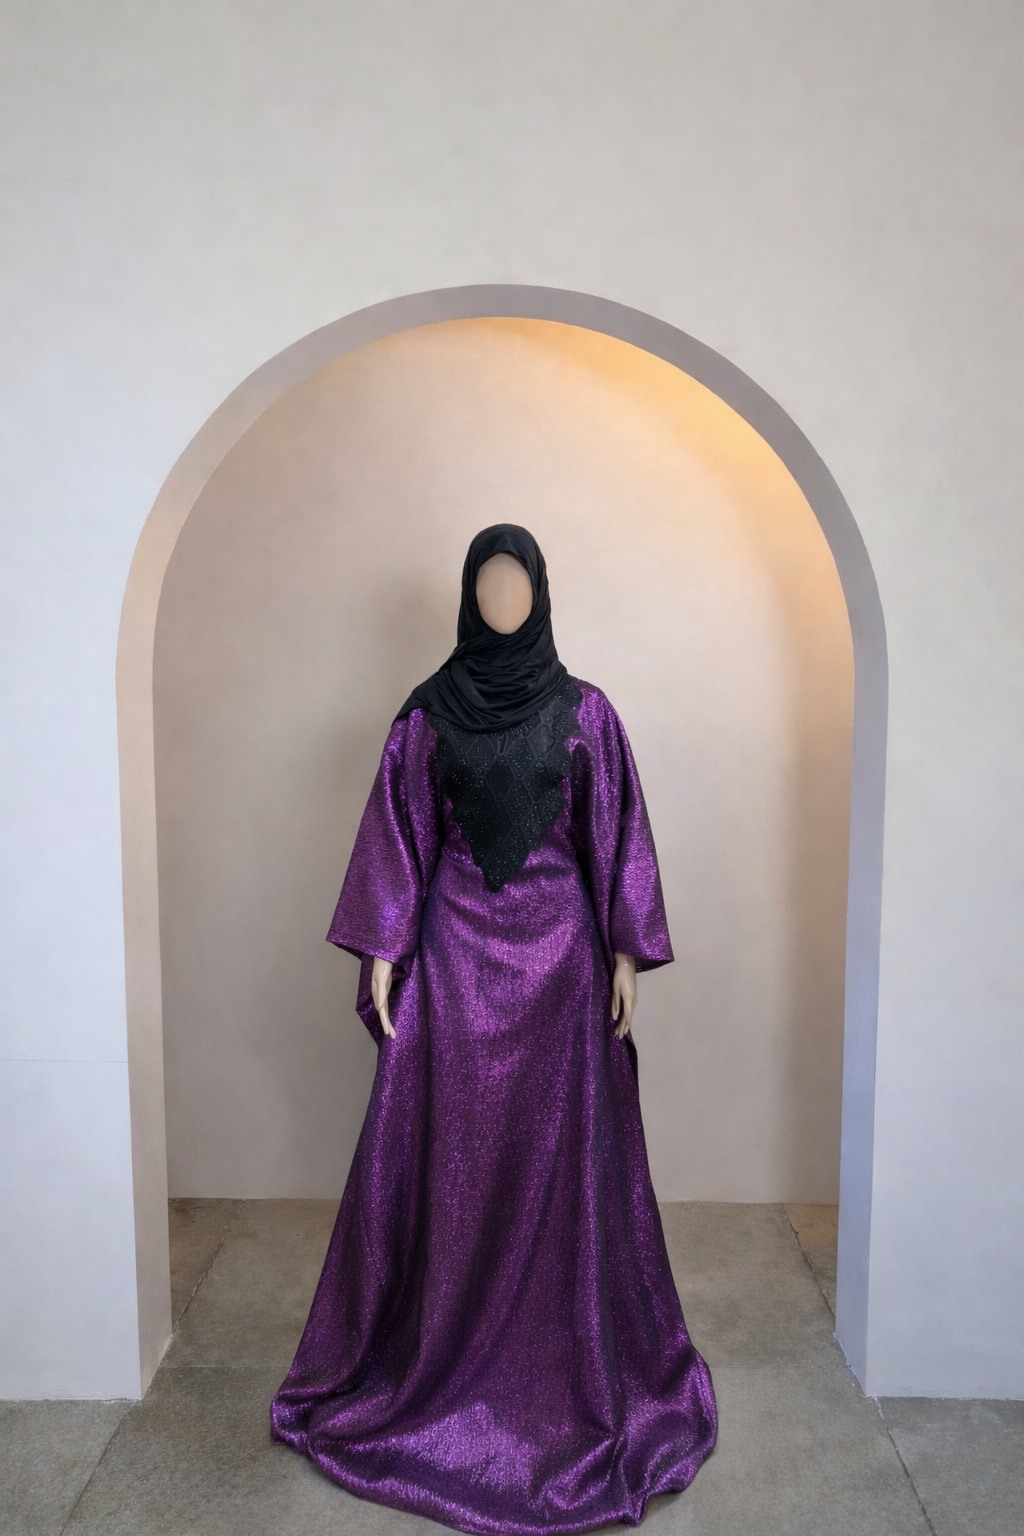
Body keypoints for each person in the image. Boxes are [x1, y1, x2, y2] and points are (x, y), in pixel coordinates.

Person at [270, 525, 717, 1533]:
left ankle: (565, 1372)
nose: (504, 599)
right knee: (453, 1160)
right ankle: (434, 1363)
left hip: (561, 973)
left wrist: (625, 951)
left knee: (561, 1164)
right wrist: (385, 948)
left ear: (542, 592)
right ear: (469, 594)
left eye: (518, 583)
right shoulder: (427, 714)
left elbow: (617, 835)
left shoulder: (587, 712)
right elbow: (399, 834)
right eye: (489, 583)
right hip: (455, 968)